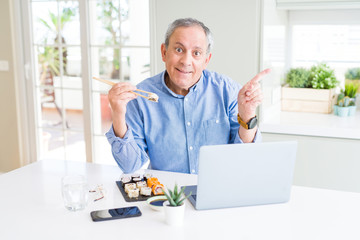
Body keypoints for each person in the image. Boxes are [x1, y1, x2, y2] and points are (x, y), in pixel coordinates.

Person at [106, 18, 270, 174]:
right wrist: (118, 114)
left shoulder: (227, 91)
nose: (186, 61)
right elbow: (129, 165)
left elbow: (245, 160)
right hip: (164, 196)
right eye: (179, 50)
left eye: (197, 53)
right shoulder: (141, 96)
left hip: (217, 190)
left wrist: (248, 115)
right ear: (164, 52)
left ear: (206, 60)